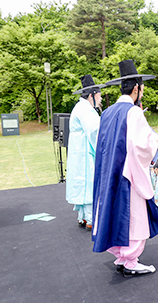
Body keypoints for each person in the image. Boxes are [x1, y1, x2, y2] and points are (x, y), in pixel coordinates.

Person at [92, 59, 158, 277]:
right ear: (137, 88)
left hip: (111, 173)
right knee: (133, 216)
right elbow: (139, 146)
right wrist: (155, 144)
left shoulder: (107, 112)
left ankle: (121, 255)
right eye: (142, 87)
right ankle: (130, 259)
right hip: (128, 174)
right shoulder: (134, 112)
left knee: (116, 212)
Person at [66, 74, 104, 230]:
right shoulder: (87, 110)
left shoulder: (79, 107)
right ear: (91, 95)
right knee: (89, 183)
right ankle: (90, 218)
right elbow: (95, 132)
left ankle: (82, 216)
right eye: (99, 96)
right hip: (85, 151)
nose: (100, 100)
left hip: (78, 150)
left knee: (81, 183)